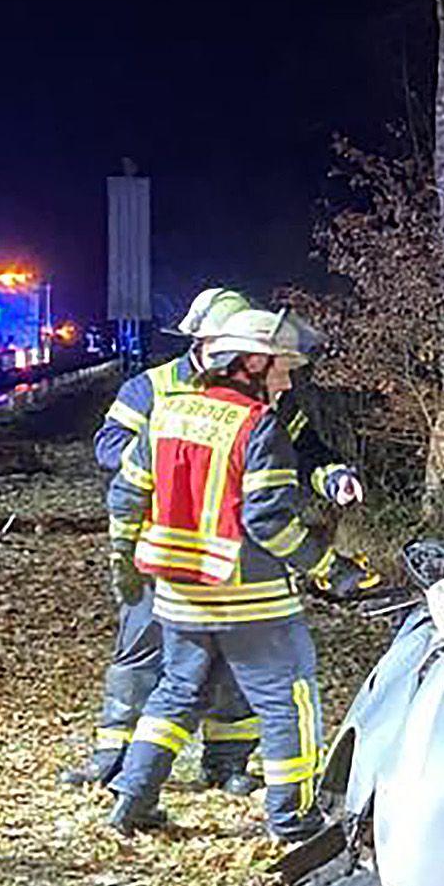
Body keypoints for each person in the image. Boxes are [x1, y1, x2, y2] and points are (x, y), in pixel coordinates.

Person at [61, 287, 363, 793]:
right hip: (161, 555)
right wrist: (180, 458)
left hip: (228, 559)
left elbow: (305, 452)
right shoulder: (152, 389)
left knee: (227, 665)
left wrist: (333, 477)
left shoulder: (265, 397)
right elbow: (110, 447)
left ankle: (224, 763)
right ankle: (112, 757)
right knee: (141, 653)